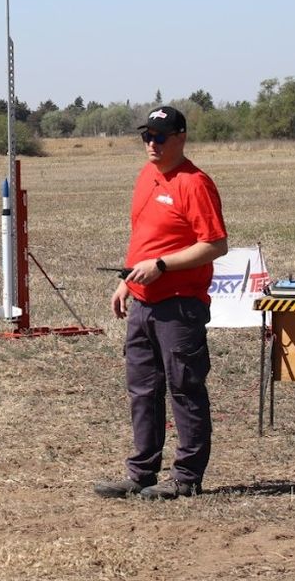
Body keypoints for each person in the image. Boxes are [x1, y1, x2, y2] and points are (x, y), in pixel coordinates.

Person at [94, 105, 228, 501]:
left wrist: (163, 266)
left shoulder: (195, 183)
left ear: (181, 138)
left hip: (179, 304)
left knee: (184, 389)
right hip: (143, 302)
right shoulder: (146, 176)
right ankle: (142, 472)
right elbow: (145, 235)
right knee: (143, 389)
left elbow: (215, 244)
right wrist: (128, 281)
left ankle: (186, 477)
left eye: (160, 137)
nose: (151, 144)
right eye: (146, 137)